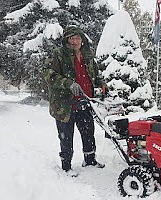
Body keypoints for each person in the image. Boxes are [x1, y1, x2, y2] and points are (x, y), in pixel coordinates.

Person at [43, 25, 105, 175]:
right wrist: (67, 83)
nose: (75, 41)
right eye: (72, 38)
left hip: (85, 101)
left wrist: (102, 84)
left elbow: (95, 74)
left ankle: (89, 160)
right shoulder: (58, 54)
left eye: (78, 38)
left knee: (88, 132)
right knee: (66, 136)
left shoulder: (87, 55)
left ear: (82, 39)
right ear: (67, 40)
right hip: (65, 105)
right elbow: (48, 74)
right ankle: (66, 166)